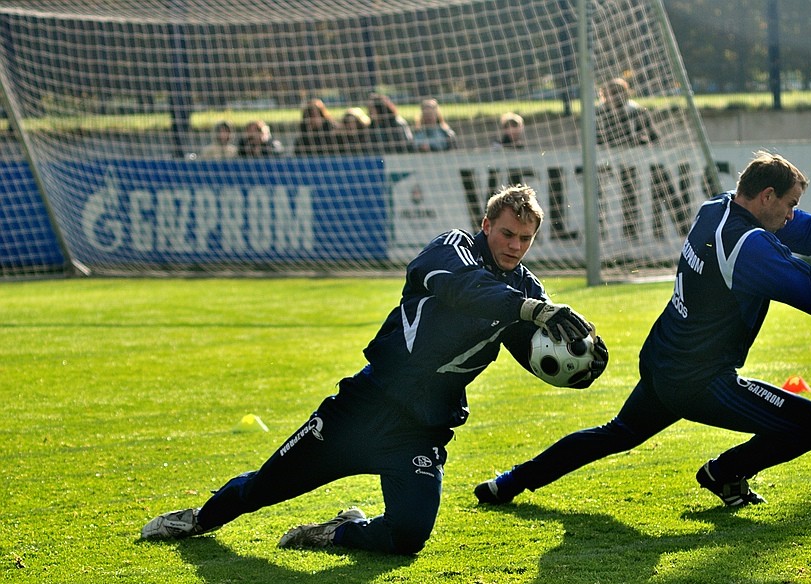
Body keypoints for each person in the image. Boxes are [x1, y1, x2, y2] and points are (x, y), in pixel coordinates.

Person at [141, 184, 609, 555]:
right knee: (264, 488)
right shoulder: (452, 248)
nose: (515, 245)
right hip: (363, 409)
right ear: (486, 224)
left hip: (421, 430)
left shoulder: (526, 290)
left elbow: (532, 348)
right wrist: (532, 311)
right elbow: (464, 289)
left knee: (408, 537)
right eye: (507, 233)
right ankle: (197, 520)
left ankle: (338, 533)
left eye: (526, 239)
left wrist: (578, 362)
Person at [474, 151, 811, 509]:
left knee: (615, 433)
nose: (794, 214)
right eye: (790, 204)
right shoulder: (748, 247)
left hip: (664, 359)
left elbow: (809, 234)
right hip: (700, 380)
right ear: (766, 197)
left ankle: (509, 482)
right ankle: (723, 473)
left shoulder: (719, 209)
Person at [595, 77, 658, 147]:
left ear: (625, 93)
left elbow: (654, 136)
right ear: (604, 95)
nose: (616, 96)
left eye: (619, 92)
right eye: (612, 93)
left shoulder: (637, 111)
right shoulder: (599, 113)